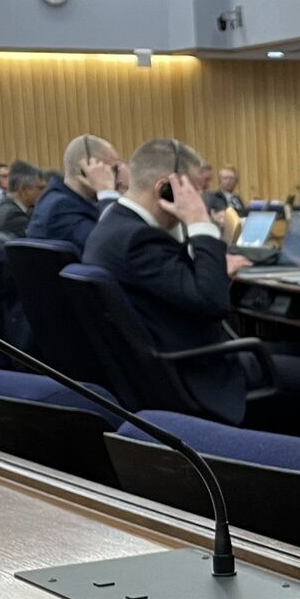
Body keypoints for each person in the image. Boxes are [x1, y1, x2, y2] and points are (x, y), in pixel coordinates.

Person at [81, 137, 250, 421]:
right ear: (165, 189)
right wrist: (199, 221)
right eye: (196, 191)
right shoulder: (137, 239)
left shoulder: (113, 227)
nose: (200, 201)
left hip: (166, 368)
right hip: (198, 375)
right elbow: (213, 302)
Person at [28, 133, 124, 255]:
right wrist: (107, 193)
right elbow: (114, 246)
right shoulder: (61, 208)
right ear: (86, 171)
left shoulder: (55, 198)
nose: (118, 178)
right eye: (114, 170)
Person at [0, 160, 46, 237]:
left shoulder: (6, 205)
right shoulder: (12, 216)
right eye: (40, 188)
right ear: (23, 189)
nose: (44, 192)